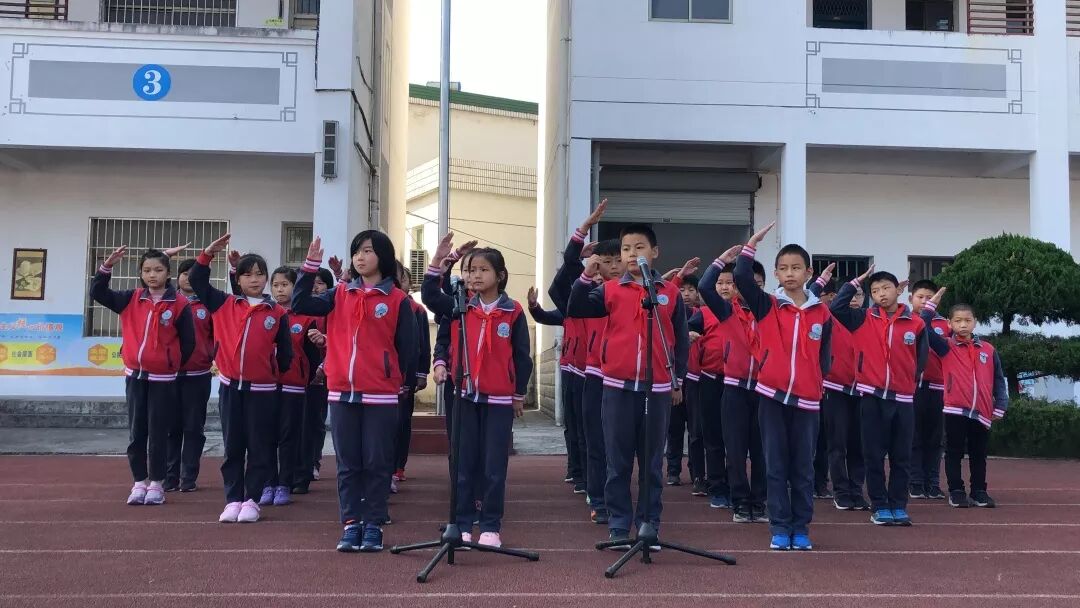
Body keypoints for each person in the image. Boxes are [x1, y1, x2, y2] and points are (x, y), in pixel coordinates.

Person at [292, 231, 416, 553]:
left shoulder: (397, 300)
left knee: (376, 462)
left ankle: (373, 524)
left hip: (380, 394)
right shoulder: (339, 294)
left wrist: (396, 380)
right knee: (348, 463)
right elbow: (300, 303)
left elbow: (407, 347)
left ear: (383, 256)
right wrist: (309, 267)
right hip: (341, 392)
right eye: (357, 252)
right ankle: (350, 523)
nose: (360, 257)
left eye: (368, 251)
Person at [567, 223, 689, 551]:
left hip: (657, 389)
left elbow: (680, 341)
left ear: (655, 252)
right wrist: (585, 275)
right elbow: (576, 307)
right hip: (617, 388)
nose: (631, 254)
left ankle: (649, 525)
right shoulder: (610, 290)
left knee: (651, 464)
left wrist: (677, 379)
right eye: (625, 249)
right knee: (617, 462)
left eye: (639, 247)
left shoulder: (670, 293)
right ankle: (619, 526)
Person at [422, 235, 532, 549]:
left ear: (500, 275)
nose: (475, 276)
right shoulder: (459, 305)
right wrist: (437, 262)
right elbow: (430, 295)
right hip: (464, 397)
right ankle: (462, 522)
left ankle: (490, 525)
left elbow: (521, 357)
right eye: (470, 270)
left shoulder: (513, 312)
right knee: (463, 462)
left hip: (498, 400)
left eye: (483, 270)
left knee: (494, 465)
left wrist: (518, 394)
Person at [730, 223, 833, 551]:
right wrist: (751, 245)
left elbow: (825, 357)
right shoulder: (768, 306)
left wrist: (816, 382)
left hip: (808, 402)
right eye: (784, 268)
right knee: (775, 465)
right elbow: (742, 277)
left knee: (802, 468)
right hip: (772, 398)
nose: (790, 274)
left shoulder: (821, 314)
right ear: (776, 274)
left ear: (808, 273)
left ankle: (800, 528)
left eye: (796, 268)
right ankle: (779, 527)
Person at [190, 235, 293, 524]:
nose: (255, 279)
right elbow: (197, 280)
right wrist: (207, 254)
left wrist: (270, 371)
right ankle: (233, 499)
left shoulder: (276, 313)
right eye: (248, 274)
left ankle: (251, 500)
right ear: (238, 279)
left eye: (260, 274)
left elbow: (286, 353)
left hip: (263, 391)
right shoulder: (223, 303)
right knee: (233, 446)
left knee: (259, 447)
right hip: (231, 388)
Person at [90, 246, 194, 506]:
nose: (152, 275)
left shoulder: (179, 304)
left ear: (168, 273)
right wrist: (106, 268)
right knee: (137, 433)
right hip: (135, 378)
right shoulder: (131, 298)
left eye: (158, 270)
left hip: (163, 380)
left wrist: (169, 363)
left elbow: (188, 343)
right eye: (147, 270)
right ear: (140, 273)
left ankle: (157, 484)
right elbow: (97, 292)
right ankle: (139, 482)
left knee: (158, 433)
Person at [831, 265, 927, 527]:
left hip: (903, 400)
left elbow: (921, 359)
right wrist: (854, 283)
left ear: (898, 290)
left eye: (886, 288)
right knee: (873, 455)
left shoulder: (916, 323)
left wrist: (906, 381)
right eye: (875, 291)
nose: (881, 294)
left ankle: (898, 505)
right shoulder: (862, 318)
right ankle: (880, 505)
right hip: (872, 398)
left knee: (901, 457)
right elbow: (836, 308)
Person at [697, 248, 768, 522]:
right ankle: (740, 501)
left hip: (763, 390)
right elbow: (705, 286)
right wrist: (721, 261)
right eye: (746, 284)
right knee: (735, 450)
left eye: (757, 284)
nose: (751, 289)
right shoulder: (727, 311)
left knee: (761, 451)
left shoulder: (771, 311)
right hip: (734, 390)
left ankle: (759, 502)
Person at [920, 289, 1008, 509]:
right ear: (949, 324)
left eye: (967, 320)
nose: (963, 325)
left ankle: (979, 491)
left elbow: (998, 378)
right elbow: (923, 326)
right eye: (958, 321)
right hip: (955, 409)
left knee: (979, 454)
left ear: (975, 322)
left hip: (982, 410)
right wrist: (931, 305)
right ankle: (956, 491)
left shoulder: (988, 349)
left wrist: (1000, 405)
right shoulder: (946, 346)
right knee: (954, 452)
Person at [259, 267, 322, 507]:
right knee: (266, 435)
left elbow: (312, 356)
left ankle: (287, 482)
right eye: (275, 285)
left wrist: (307, 377)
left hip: (294, 386)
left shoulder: (305, 318)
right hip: (265, 386)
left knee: (290, 435)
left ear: (296, 288)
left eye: (285, 285)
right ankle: (268, 483)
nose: (280, 290)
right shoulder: (264, 313)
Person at [811, 276, 870, 511]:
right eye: (851, 295)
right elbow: (830, 304)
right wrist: (852, 285)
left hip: (862, 389)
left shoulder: (869, 319)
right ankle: (841, 491)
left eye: (859, 295)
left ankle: (856, 490)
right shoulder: (831, 315)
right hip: (835, 388)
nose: (855, 299)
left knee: (859, 445)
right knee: (837, 444)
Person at [165, 258, 215, 493]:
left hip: (198, 375)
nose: (188, 277)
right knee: (170, 428)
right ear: (177, 277)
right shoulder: (167, 303)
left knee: (194, 428)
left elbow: (219, 336)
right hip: (169, 376)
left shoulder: (209, 305)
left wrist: (210, 355)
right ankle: (169, 476)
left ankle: (188, 477)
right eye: (184, 273)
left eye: (192, 273)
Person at [908, 280, 949, 500]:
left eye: (930, 297)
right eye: (920, 297)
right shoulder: (905, 321)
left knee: (935, 439)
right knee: (913, 436)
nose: (925, 301)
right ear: (910, 298)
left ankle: (932, 483)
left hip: (939, 388)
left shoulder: (946, 324)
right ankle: (914, 482)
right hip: (913, 388)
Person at [393, 263, 431, 486]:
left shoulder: (417, 309)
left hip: (406, 374)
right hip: (381, 374)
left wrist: (421, 373)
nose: (399, 282)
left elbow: (423, 344)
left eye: (403, 279)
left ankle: (398, 466)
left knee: (402, 420)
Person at [666, 273, 701, 487]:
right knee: (674, 428)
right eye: (682, 290)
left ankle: (697, 473)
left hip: (696, 380)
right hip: (675, 379)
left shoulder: (703, 314)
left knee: (696, 430)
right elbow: (664, 294)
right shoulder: (670, 314)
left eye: (691, 290)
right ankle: (673, 470)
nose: (686, 294)